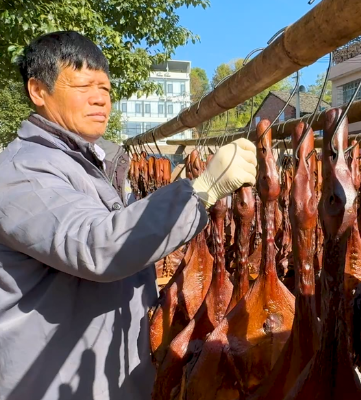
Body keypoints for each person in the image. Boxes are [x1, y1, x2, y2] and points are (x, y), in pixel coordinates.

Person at [0, 31, 257, 400]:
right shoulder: (21, 172)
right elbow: (98, 245)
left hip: (107, 374)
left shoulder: (90, 164)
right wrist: (201, 192)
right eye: (83, 85)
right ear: (38, 91)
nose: (100, 99)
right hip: (50, 384)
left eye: (105, 88)